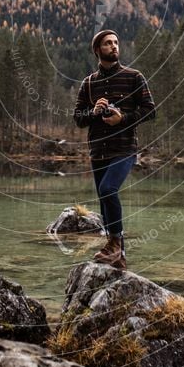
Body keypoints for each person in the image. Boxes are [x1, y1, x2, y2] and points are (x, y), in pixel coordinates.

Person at [73, 29, 156, 271]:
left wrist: (123, 118)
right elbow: (78, 118)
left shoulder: (134, 77)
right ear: (97, 50)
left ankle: (115, 243)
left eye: (116, 42)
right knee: (103, 198)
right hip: (98, 150)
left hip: (124, 148)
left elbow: (151, 110)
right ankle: (119, 259)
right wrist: (94, 112)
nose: (114, 46)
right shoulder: (88, 83)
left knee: (108, 189)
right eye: (108, 43)